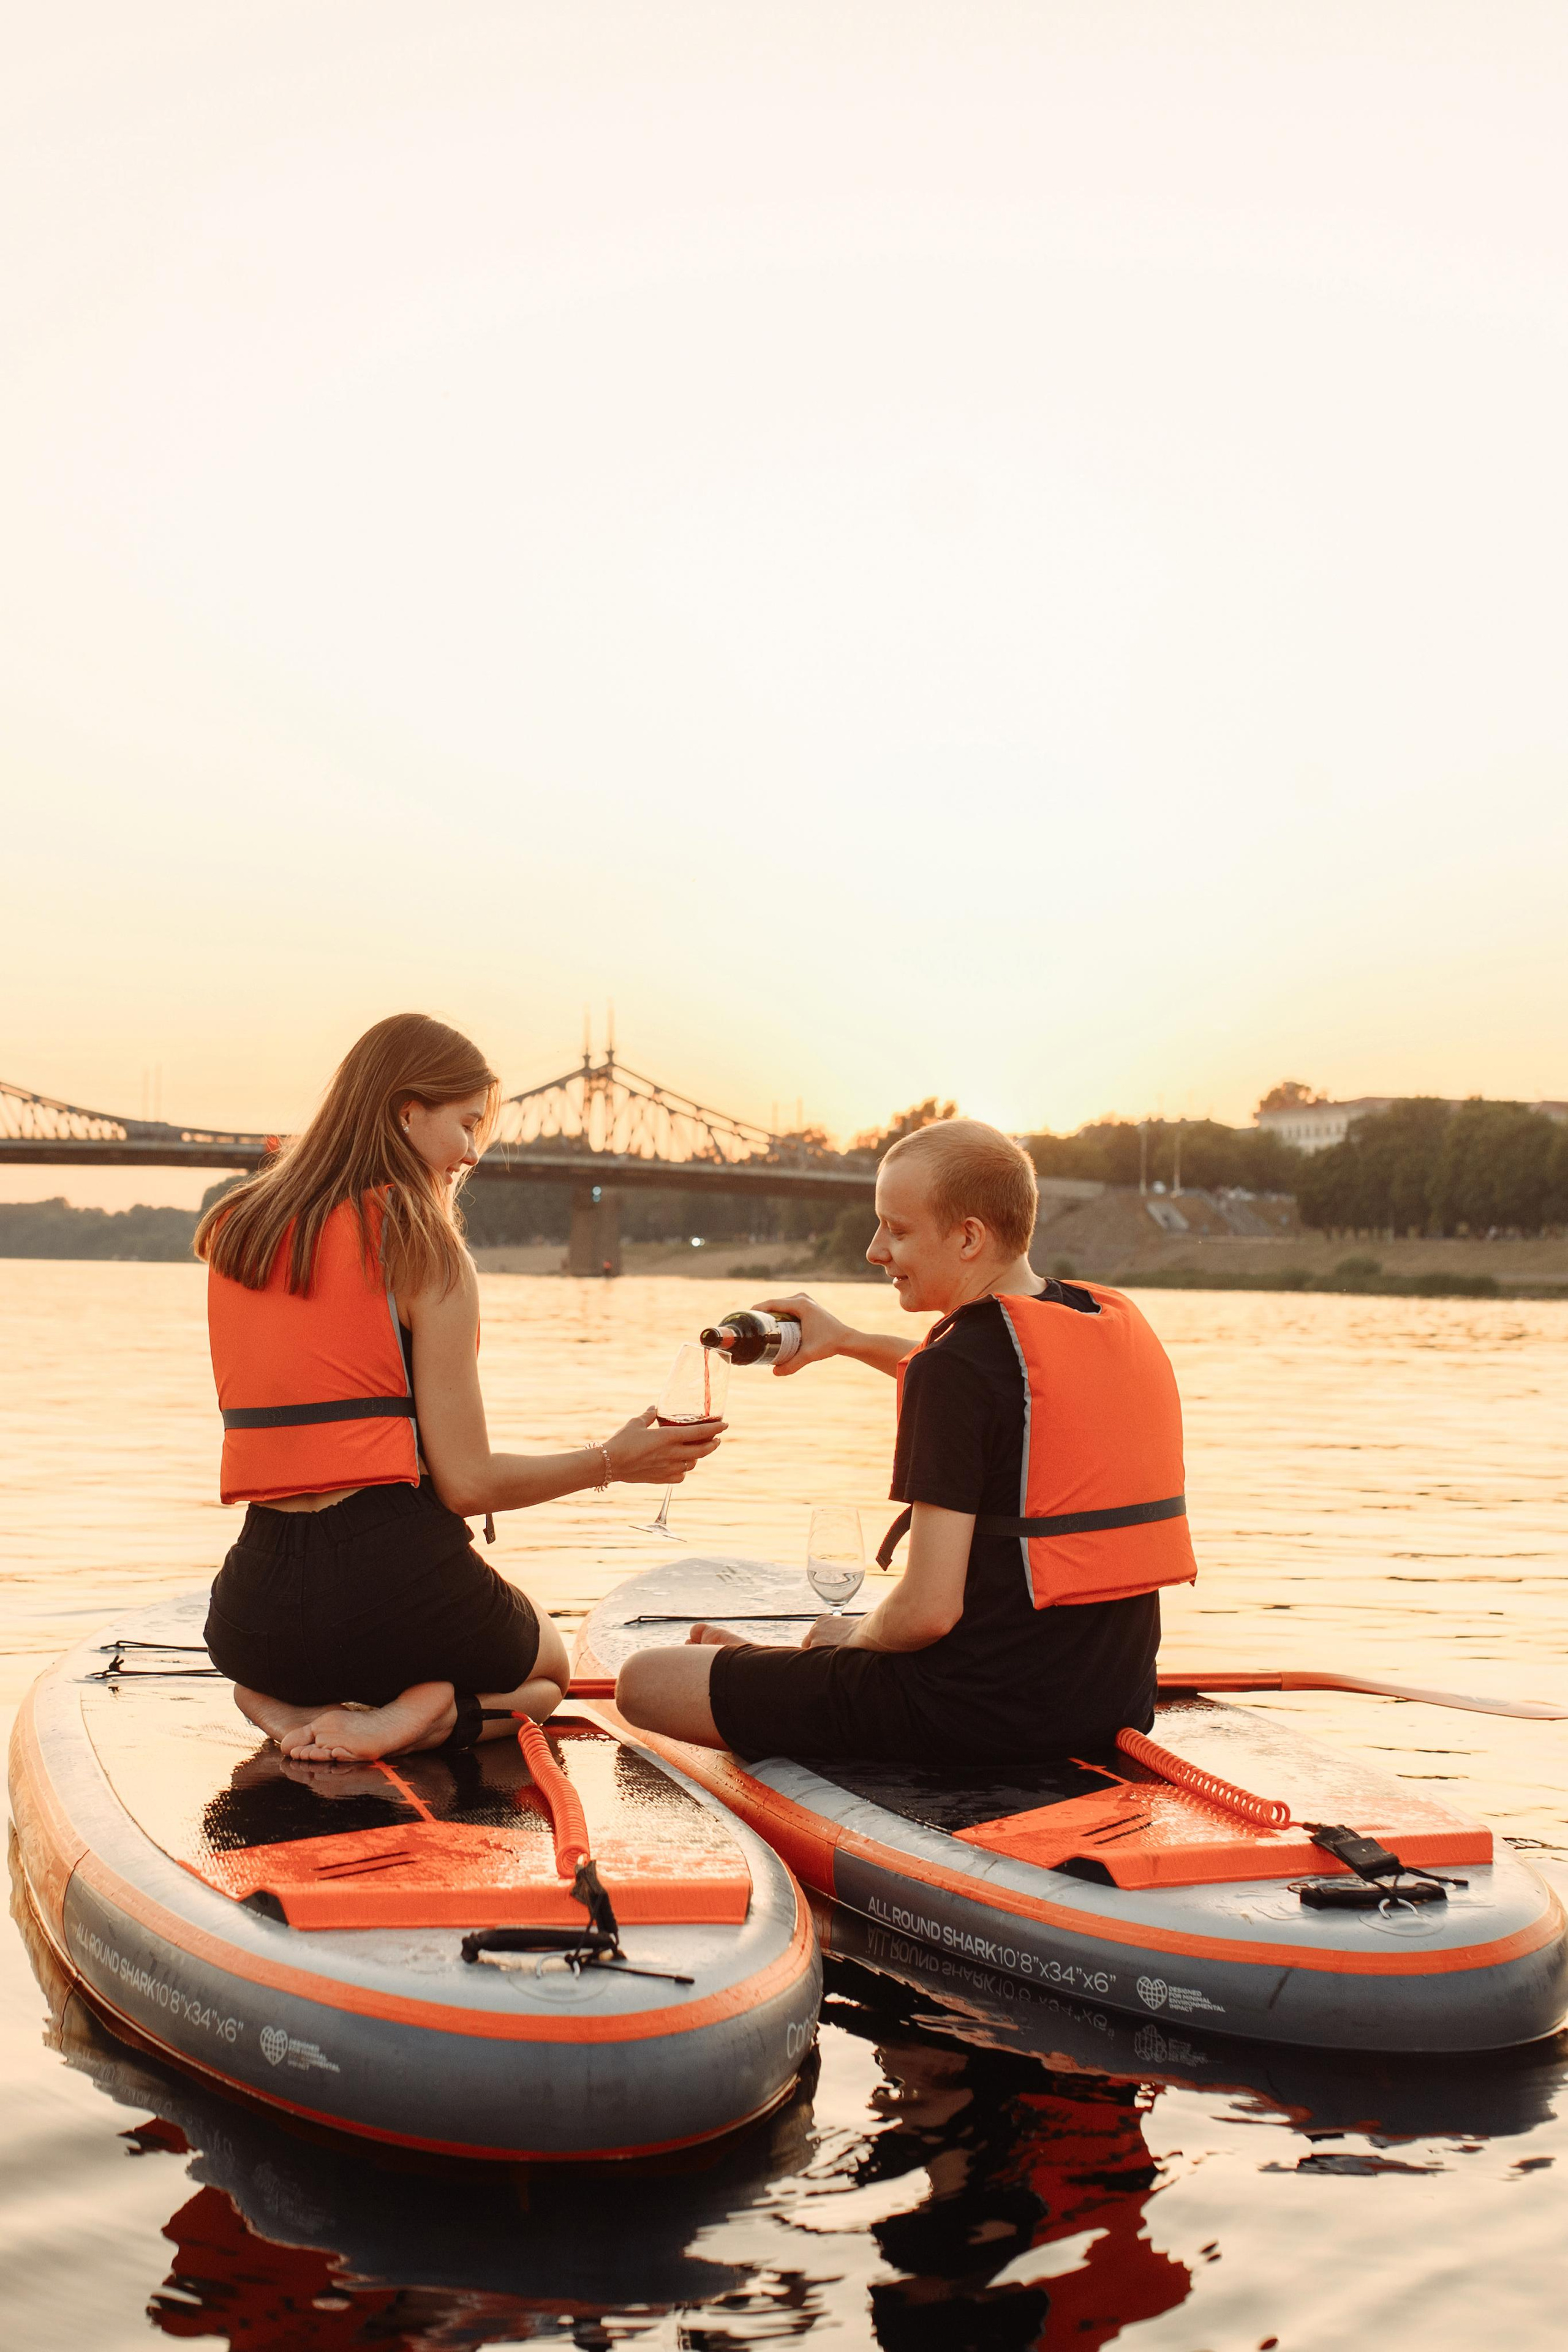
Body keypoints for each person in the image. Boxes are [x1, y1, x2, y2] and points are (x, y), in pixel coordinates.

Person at [197, 1012, 723, 1763]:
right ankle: (427, 1714)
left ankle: (284, 1712)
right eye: (467, 1125)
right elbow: (468, 1484)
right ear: (407, 1113)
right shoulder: (421, 1246)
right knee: (549, 1670)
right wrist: (615, 1460)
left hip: (255, 1601)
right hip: (393, 1579)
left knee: (259, 1670)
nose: (472, 1154)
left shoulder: (236, 1234)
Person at [616, 1118, 1195, 1763]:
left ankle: (770, 1673)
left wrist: (847, 1646)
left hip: (975, 1713)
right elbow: (983, 1384)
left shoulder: (955, 1369)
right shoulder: (1094, 1317)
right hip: (1110, 1704)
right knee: (829, 1633)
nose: (875, 1251)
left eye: (897, 1229)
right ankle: (777, 1669)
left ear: (969, 1237)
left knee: (645, 1682)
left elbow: (926, 1612)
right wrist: (843, 1341)